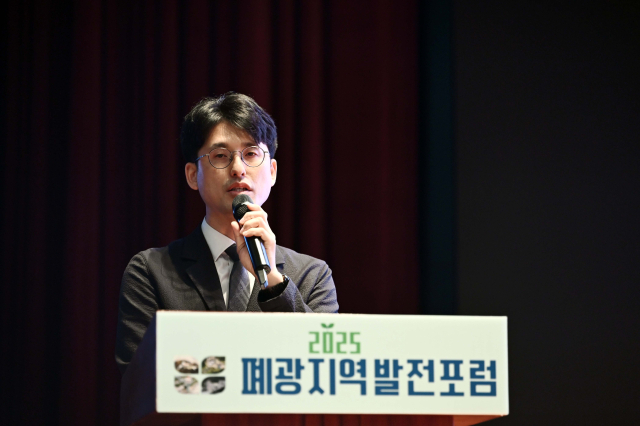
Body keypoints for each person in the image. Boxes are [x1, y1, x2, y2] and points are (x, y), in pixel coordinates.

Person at [115, 93, 339, 375]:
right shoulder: (150, 271)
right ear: (192, 175)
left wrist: (271, 279)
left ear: (272, 171)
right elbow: (137, 378)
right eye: (220, 156)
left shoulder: (312, 275)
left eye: (251, 154)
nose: (238, 169)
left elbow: (325, 369)